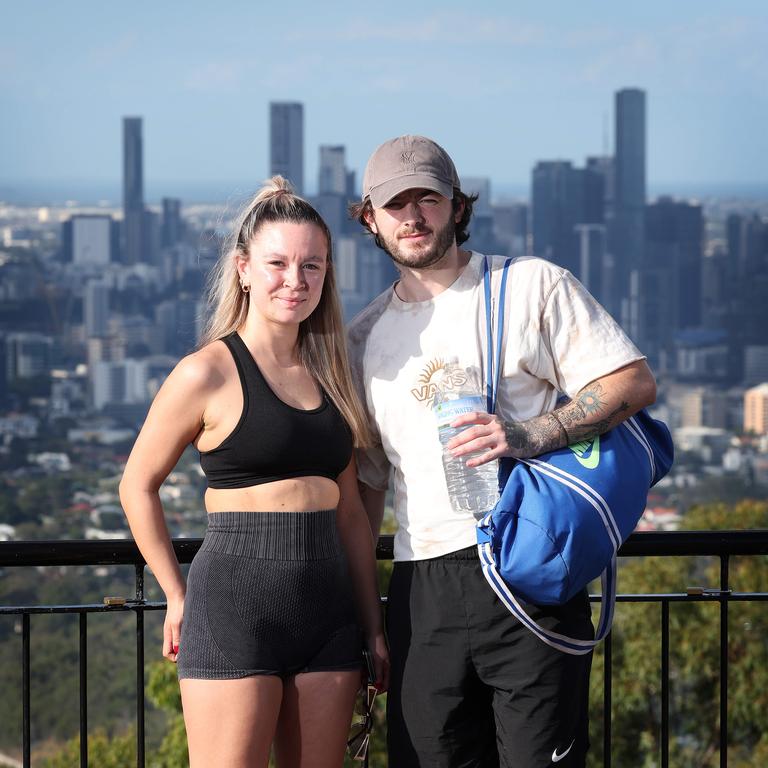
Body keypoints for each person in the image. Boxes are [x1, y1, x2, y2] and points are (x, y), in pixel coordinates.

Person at [347, 135, 657, 767]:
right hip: (421, 583)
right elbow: (368, 492)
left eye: (427, 199)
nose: (412, 216)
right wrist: (370, 618)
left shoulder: (529, 287)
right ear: (370, 220)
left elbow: (632, 383)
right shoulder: (363, 339)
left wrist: (529, 436)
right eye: (395, 204)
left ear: (457, 207)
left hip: (528, 565)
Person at [120, 177, 388, 768]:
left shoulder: (332, 376)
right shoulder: (205, 372)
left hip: (330, 614)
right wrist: (174, 593)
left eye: (311, 266)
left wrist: (373, 626)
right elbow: (137, 485)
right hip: (234, 607)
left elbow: (350, 517)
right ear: (242, 268)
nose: (295, 280)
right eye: (277, 263)